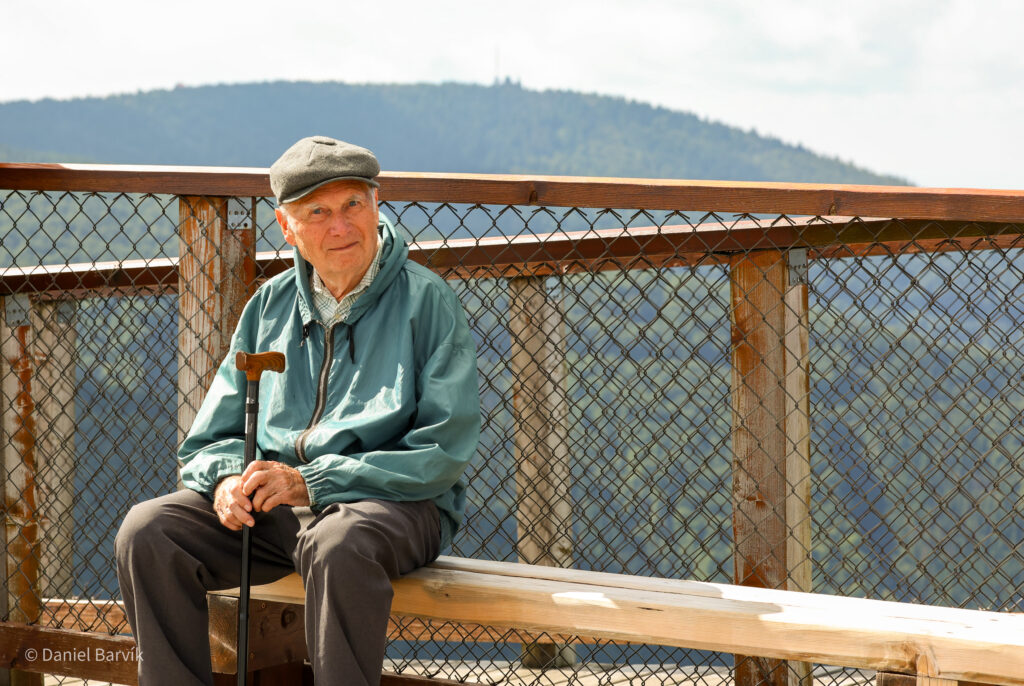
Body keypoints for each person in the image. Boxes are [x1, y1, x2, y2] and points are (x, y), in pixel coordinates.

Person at [115, 136, 482, 686]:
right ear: (287, 228)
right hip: (280, 509)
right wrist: (226, 482)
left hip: (394, 506)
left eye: (353, 204)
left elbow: (442, 449)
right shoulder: (270, 304)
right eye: (318, 213)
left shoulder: (426, 300)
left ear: (376, 204)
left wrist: (312, 481)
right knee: (148, 531)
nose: (341, 226)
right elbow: (209, 438)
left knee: (337, 545)